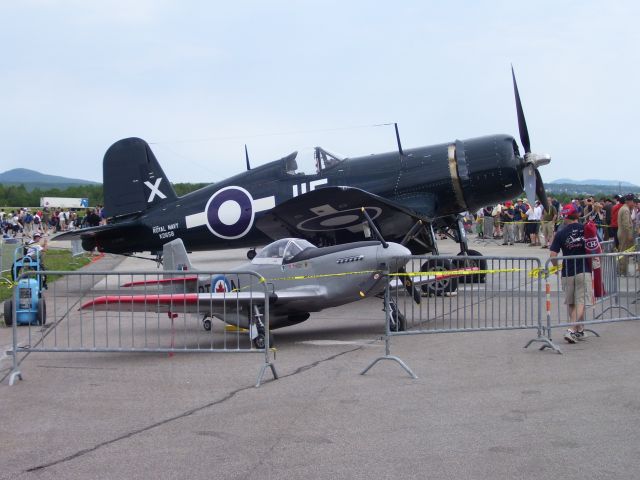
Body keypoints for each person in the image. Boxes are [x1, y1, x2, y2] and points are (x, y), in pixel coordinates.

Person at [550, 203, 592, 343]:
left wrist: (556, 267)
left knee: (571, 302)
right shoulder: (586, 229)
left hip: (567, 271)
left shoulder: (561, 233)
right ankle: (572, 330)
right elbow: (595, 246)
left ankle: (579, 330)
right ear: (578, 215)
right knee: (581, 301)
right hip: (583, 269)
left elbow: (553, 255)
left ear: (565, 216)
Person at [617, 193, 635, 275]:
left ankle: (621, 270)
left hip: (622, 233)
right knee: (624, 252)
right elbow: (626, 224)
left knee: (622, 252)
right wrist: (629, 235)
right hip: (625, 234)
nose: (633, 204)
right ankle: (623, 271)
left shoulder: (624, 208)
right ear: (629, 202)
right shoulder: (626, 210)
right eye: (632, 202)